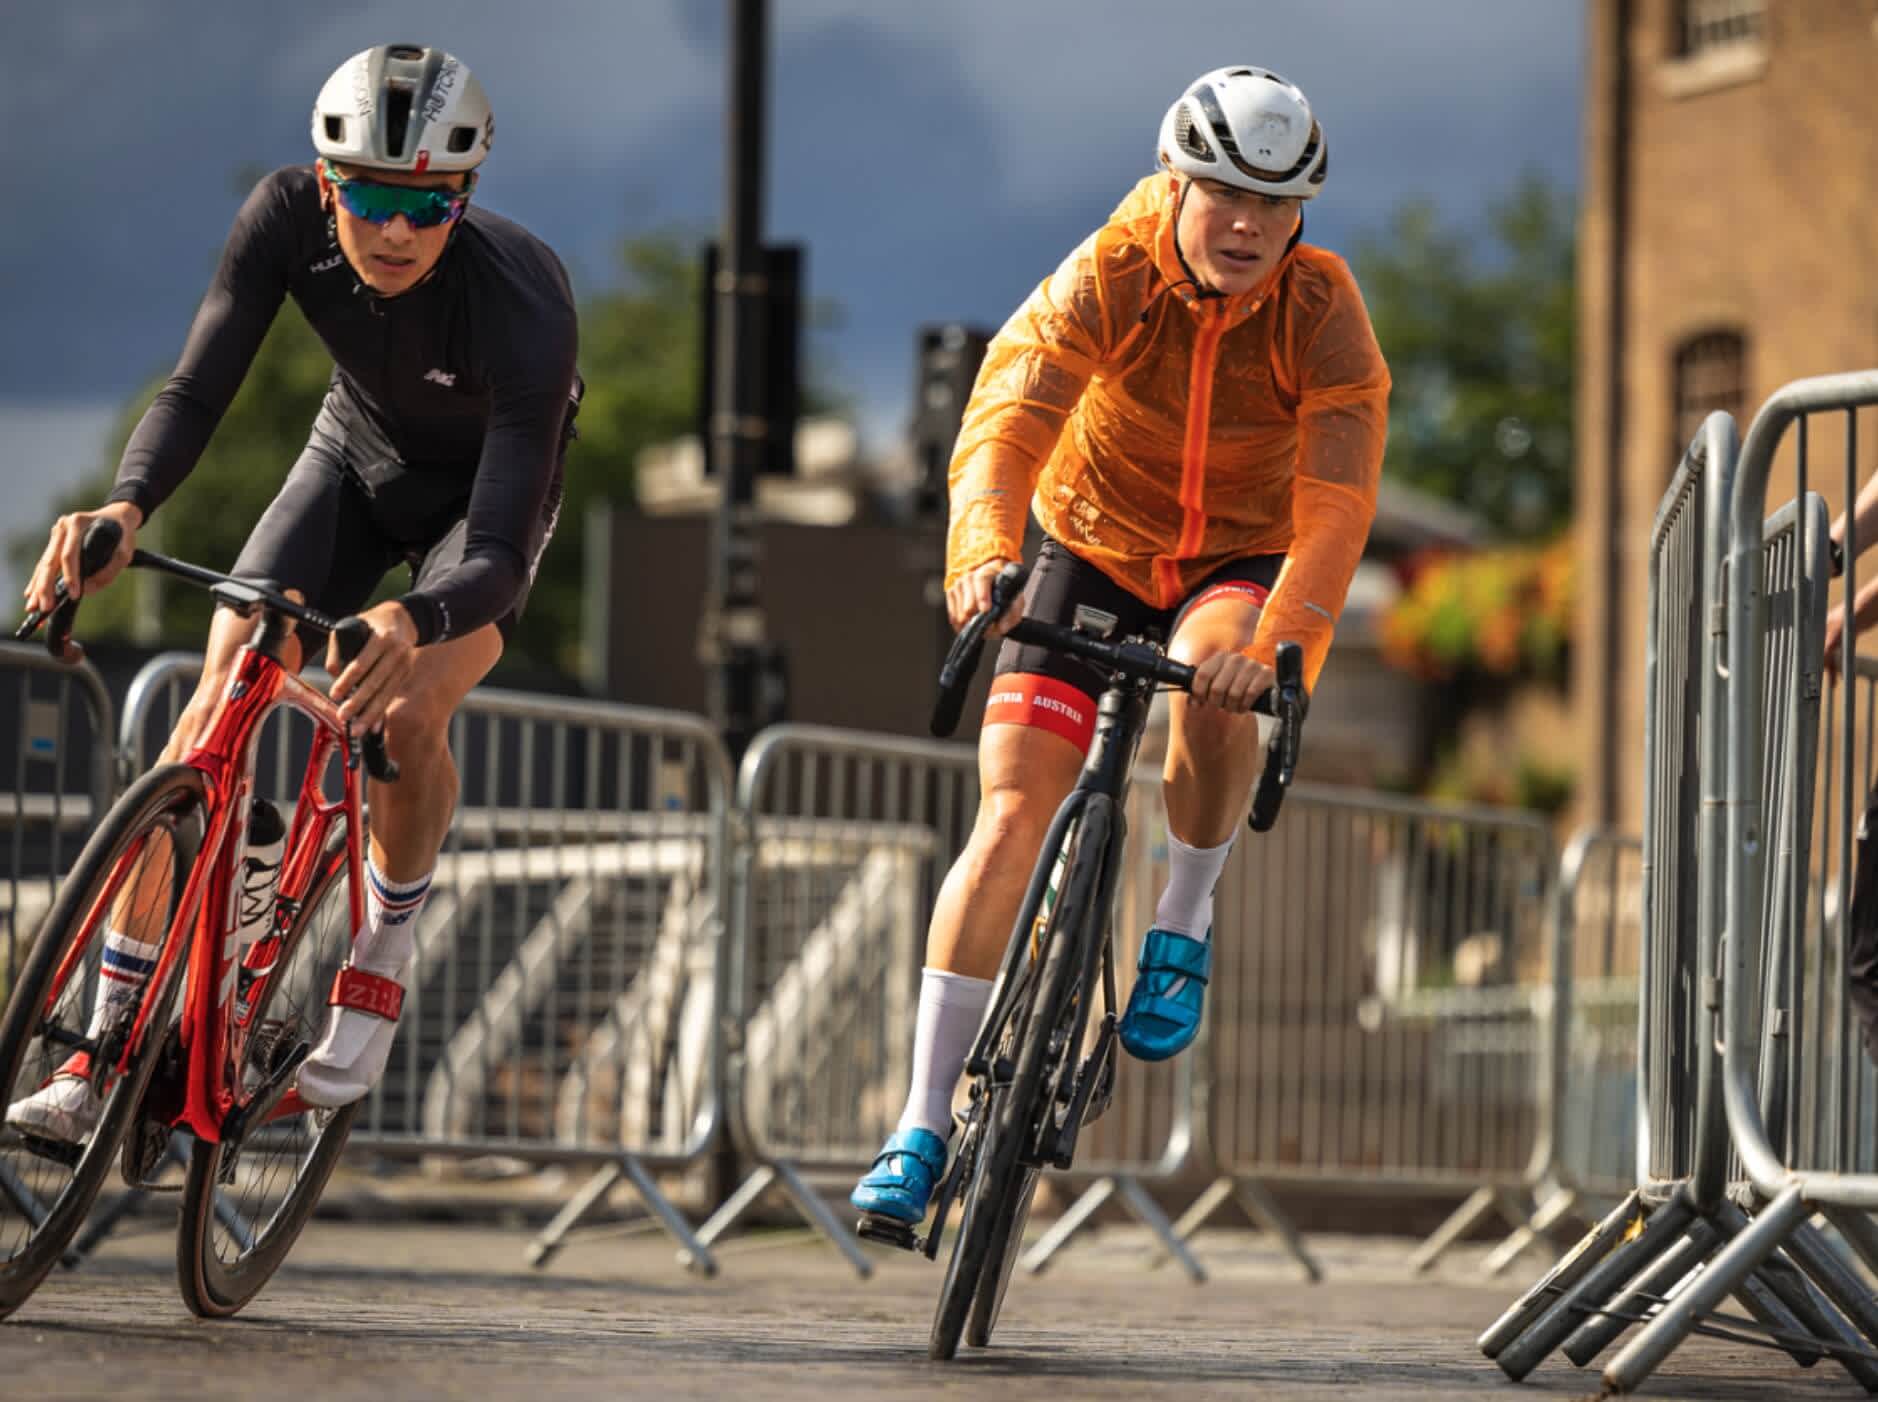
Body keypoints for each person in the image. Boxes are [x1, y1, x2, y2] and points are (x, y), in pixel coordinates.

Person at [8, 44, 581, 1141]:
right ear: (327, 186)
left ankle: (375, 963)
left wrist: (413, 617)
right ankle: (102, 1045)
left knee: (408, 713)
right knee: (214, 700)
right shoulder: (279, 218)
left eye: (429, 203)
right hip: (352, 458)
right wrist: (123, 511)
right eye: (370, 195)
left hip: (481, 508)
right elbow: (198, 385)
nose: (397, 230)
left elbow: (503, 549)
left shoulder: (524, 302)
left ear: (464, 196)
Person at [851, 66, 1390, 1229]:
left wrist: (1285, 643)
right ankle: (919, 1123)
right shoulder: (1114, 267)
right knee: (1008, 816)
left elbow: (1339, 503)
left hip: (1235, 558)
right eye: (1222, 193)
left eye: (1277, 204)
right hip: (1088, 541)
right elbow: (1008, 416)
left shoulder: (1324, 310)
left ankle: (1181, 916)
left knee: (1215, 682)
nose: (1247, 224)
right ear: (1172, 180)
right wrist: (981, 560)